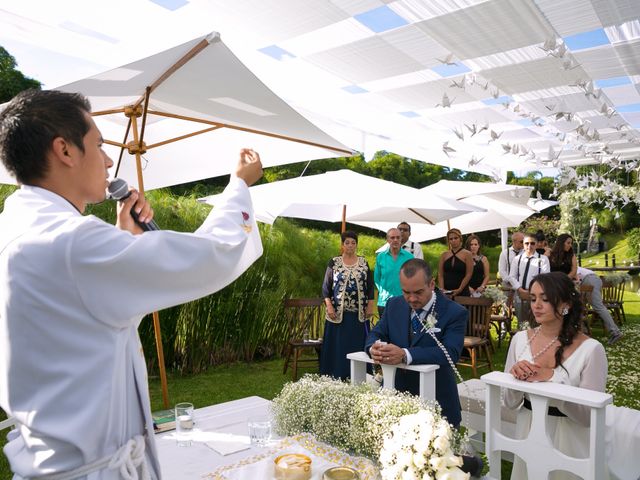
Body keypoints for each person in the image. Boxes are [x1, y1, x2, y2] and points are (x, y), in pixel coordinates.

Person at [0, 90, 263, 479]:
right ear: (65, 151)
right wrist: (239, 186)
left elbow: (85, 320)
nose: (108, 161)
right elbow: (211, 256)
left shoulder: (17, 227)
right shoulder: (73, 243)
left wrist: (123, 237)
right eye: (100, 146)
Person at [504, 272, 608, 480]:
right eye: (533, 298)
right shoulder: (519, 340)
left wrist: (552, 378)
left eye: (546, 299)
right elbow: (509, 402)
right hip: (528, 431)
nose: (536, 305)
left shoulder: (591, 349)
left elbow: (589, 417)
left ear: (566, 303)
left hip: (568, 439)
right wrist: (515, 380)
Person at [366, 259, 467, 427]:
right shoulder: (394, 304)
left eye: (418, 292)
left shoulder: (454, 312)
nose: (411, 298)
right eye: (406, 292)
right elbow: (376, 332)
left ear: (432, 284)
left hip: (436, 400)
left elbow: (451, 352)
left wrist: (405, 354)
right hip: (394, 398)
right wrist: (373, 347)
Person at [321, 231, 375, 380]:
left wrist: (370, 305)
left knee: (357, 344)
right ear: (342, 245)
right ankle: (336, 373)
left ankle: (359, 374)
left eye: (353, 242)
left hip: (358, 314)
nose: (350, 245)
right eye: (347, 242)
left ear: (356, 245)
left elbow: (370, 286)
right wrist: (329, 307)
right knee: (338, 345)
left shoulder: (363, 262)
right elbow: (326, 287)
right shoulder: (334, 262)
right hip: (338, 314)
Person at [507, 232, 551, 325]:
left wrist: (532, 292)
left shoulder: (543, 259)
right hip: (520, 294)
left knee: (536, 322)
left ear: (536, 245)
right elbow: (512, 276)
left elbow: (545, 277)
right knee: (522, 323)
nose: (529, 246)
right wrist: (520, 289)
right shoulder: (517, 259)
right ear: (523, 244)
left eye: (532, 243)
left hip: (536, 295)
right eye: (527, 243)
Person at [577, 266, 623, 345]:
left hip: (589, 279)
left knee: (598, 307)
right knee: (579, 306)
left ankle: (616, 332)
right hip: (592, 279)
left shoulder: (565, 266)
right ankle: (583, 332)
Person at [374, 227, 413, 317]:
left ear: (401, 239)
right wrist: (383, 293)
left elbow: (412, 278)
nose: (395, 240)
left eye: (398, 237)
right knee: (385, 330)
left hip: (404, 300)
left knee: (403, 329)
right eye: (392, 238)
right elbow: (377, 278)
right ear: (387, 239)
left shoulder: (409, 257)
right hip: (384, 302)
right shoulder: (380, 257)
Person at [438, 228, 473, 297]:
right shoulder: (444, 255)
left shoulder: (467, 254)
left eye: (455, 238)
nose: (453, 240)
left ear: (460, 238)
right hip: (446, 292)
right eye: (451, 239)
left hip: (462, 291)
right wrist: (442, 289)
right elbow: (440, 274)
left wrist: (460, 289)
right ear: (448, 241)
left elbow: (469, 274)